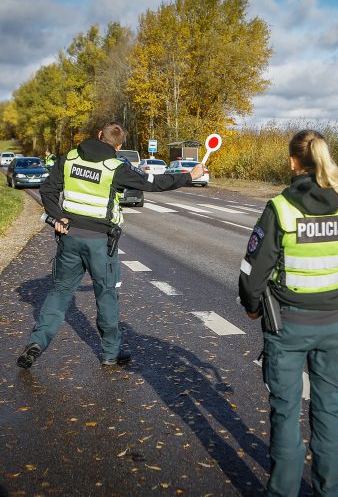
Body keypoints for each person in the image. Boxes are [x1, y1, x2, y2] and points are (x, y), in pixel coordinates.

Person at [239, 130, 338, 496]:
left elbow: (253, 274)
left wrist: (253, 309)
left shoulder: (280, 208)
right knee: (328, 412)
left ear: (293, 162)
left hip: (288, 325)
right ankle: (329, 491)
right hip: (334, 325)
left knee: (285, 414)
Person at [17, 122, 203, 369]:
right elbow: (153, 183)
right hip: (100, 243)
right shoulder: (116, 168)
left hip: (69, 238)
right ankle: (110, 354)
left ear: (97, 135)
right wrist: (189, 176)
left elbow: (48, 189)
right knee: (106, 295)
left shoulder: (70, 158)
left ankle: (38, 342)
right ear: (119, 145)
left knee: (60, 292)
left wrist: (57, 215)